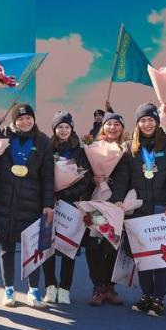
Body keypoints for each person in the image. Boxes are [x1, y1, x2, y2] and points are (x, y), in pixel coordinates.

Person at [0, 98, 54, 308]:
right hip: (4, 202)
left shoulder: (43, 142)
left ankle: (34, 291)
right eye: (20, 119)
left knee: (33, 249)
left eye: (28, 118)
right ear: (14, 121)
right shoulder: (3, 136)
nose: (25, 122)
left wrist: (48, 204)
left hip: (32, 204)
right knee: (6, 248)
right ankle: (9, 289)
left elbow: (48, 176)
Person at [111, 103, 166, 318]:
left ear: (157, 121)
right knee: (142, 256)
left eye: (151, 119)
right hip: (138, 210)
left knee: (162, 256)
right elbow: (122, 178)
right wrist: (118, 200)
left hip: (163, 210)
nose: (147, 124)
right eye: (142, 120)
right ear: (137, 123)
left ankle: (159, 299)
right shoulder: (130, 147)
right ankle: (146, 295)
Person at [43, 111, 92, 305]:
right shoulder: (47, 147)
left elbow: (85, 179)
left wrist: (64, 194)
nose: (64, 130)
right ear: (54, 129)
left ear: (71, 128)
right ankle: (50, 286)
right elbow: (43, 175)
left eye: (67, 127)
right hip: (50, 204)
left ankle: (64, 288)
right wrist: (50, 195)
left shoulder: (80, 150)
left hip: (71, 204)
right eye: (60, 127)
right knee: (48, 247)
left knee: (68, 249)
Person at [86, 112, 127, 306]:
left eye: (117, 124)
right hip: (95, 203)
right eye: (109, 124)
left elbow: (129, 176)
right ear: (103, 127)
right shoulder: (92, 149)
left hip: (117, 205)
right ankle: (98, 287)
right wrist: (93, 180)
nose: (113, 127)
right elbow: (82, 173)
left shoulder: (128, 149)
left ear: (122, 128)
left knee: (112, 246)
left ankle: (109, 287)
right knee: (94, 245)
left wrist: (118, 197)